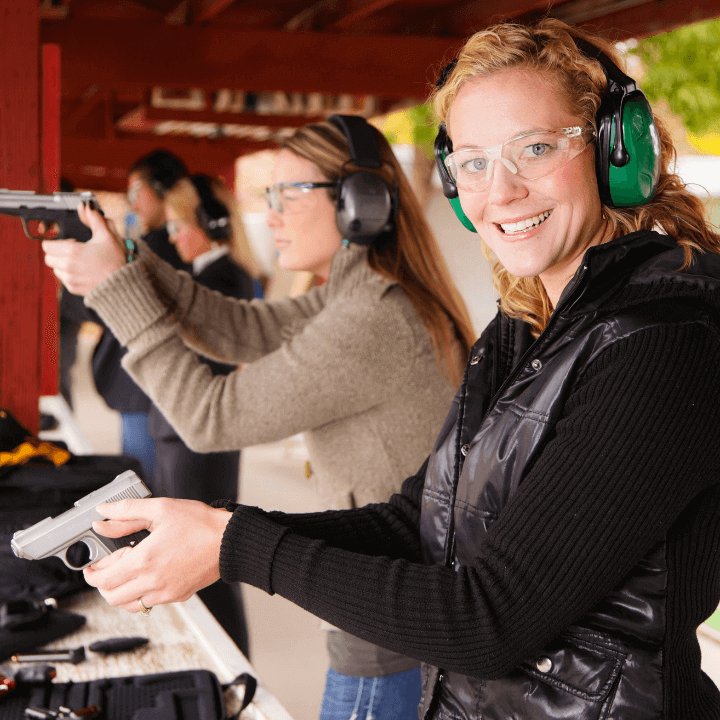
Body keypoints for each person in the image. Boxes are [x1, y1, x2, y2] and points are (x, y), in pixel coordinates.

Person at [42, 116, 475, 719]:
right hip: (387, 624)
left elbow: (208, 417)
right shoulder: (362, 292)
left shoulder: (372, 317)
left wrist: (114, 285)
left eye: (286, 193)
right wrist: (131, 258)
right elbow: (240, 328)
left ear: (359, 203)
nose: (269, 213)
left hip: (388, 645)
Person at [147, 172, 260, 657]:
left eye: (178, 225)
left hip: (196, 439)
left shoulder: (223, 279)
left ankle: (229, 665)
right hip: (187, 437)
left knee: (206, 558)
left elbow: (202, 366)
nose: (172, 237)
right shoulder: (212, 275)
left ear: (210, 224)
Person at [93, 150, 191, 481]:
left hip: (146, 388)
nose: (132, 203)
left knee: (143, 487)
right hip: (151, 385)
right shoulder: (160, 246)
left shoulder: (157, 249)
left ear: (161, 189)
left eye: (137, 191)